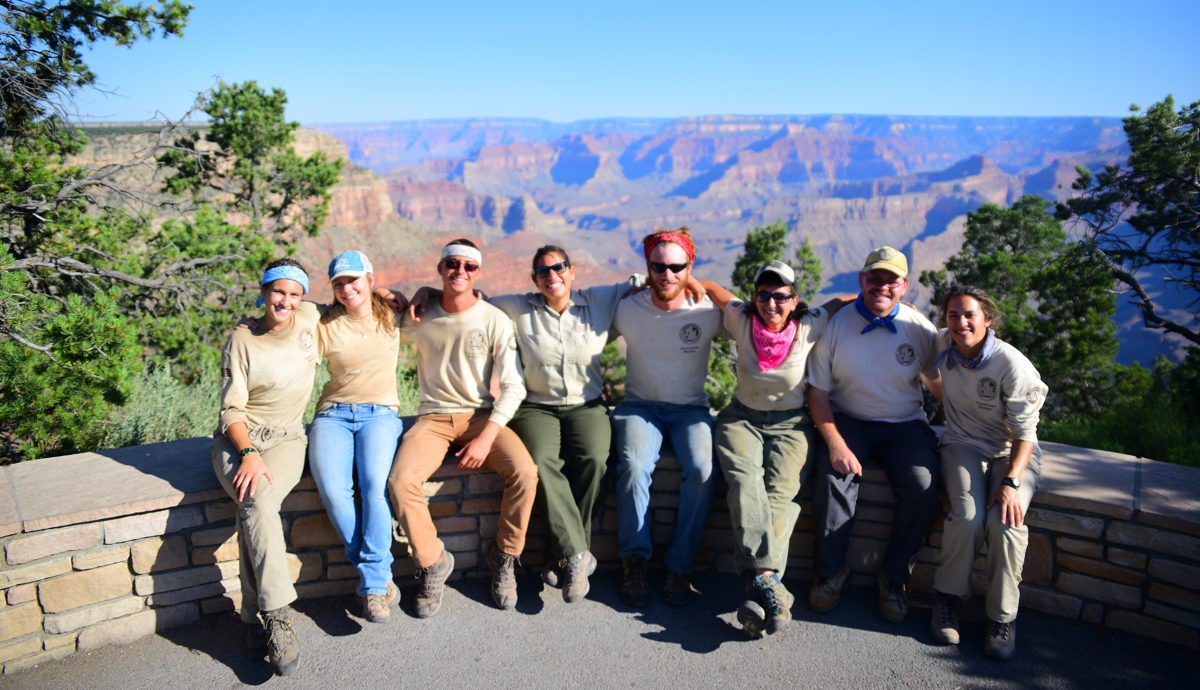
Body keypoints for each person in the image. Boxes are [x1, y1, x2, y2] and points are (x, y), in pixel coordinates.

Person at [386, 239, 537, 616]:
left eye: (469, 267)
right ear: (440, 268)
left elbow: (514, 385)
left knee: (526, 473)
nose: (460, 272)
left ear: (478, 273)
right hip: (433, 419)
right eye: (452, 264)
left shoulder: (493, 319)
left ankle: (504, 556)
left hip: (482, 417)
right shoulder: (420, 317)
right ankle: (432, 560)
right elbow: (375, 317)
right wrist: (398, 293)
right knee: (400, 482)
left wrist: (486, 439)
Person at [489, 246, 643, 603]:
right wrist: (426, 293)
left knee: (594, 459)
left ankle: (564, 553)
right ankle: (577, 555)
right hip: (536, 409)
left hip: (586, 407)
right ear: (534, 279)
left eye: (559, 268)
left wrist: (701, 284)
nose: (552, 275)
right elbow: (471, 299)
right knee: (542, 463)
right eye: (543, 271)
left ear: (572, 271)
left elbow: (644, 280)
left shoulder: (599, 301)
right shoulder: (517, 307)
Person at [699, 261, 838, 637]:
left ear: (795, 300)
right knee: (745, 483)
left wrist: (896, 306)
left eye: (781, 296)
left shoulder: (811, 324)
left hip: (792, 424)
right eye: (764, 295)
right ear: (754, 296)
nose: (771, 303)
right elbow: (711, 287)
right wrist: (678, 281)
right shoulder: (740, 319)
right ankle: (769, 581)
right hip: (742, 419)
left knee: (781, 495)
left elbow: (845, 300)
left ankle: (757, 589)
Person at [806, 246, 942, 624]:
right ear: (861, 280)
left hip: (906, 424)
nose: (883, 286)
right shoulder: (836, 324)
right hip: (849, 418)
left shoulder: (919, 329)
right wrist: (835, 443)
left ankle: (894, 578)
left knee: (923, 487)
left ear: (904, 286)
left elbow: (938, 383)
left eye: (891, 280)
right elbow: (816, 393)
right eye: (875, 278)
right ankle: (831, 573)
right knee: (834, 479)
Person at [212, 258, 319, 677]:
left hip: (288, 440)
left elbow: (355, 299)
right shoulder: (241, 341)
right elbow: (230, 411)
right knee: (255, 501)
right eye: (278, 292)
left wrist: (411, 295)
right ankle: (278, 617)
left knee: (255, 507)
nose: (286, 301)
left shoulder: (309, 319)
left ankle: (252, 616)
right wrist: (248, 454)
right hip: (239, 441)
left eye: (295, 294)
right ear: (264, 290)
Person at [929, 285, 1048, 660]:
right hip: (962, 445)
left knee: (1005, 522)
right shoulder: (942, 347)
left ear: (987, 320)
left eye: (969, 315)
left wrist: (1012, 481)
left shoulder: (1010, 363)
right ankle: (947, 601)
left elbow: (1026, 433)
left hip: (1011, 452)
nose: (960, 323)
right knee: (966, 517)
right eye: (953, 316)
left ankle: (1002, 618)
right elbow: (912, 353)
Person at [611, 227, 724, 607]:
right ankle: (635, 559)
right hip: (639, 406)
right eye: (659, 266)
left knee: (702, 469)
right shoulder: (628, 307)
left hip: (690, 410)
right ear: (648, 267)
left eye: (678, 267)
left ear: (689, 267)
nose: (668, 274)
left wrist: (702, 283)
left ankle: (680, 565)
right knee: (634, 464)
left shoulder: (707, 309)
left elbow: (752, 312)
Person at [307, 250, 406, 624]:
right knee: (333, 490)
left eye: (353, 280)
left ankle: (374, 590)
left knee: (373, 485)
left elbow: (433, 305)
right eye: (338, 283)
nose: (347, 289)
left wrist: (423, 291)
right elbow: (288, 324)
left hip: (380, 413)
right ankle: (376, 574)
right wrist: (250, 323)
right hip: (332, 414)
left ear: (369, 279)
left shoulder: (392, 314)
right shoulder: (324, 322)